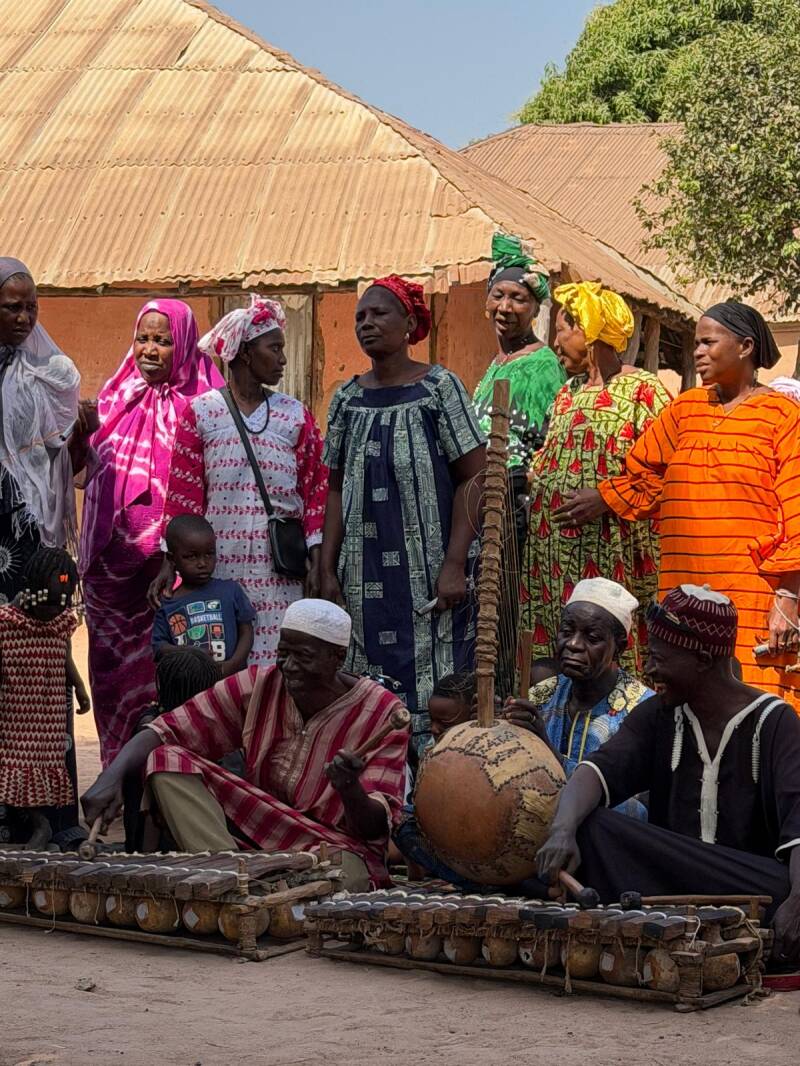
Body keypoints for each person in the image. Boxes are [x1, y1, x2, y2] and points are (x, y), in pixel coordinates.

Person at [536, 584, 800, 965]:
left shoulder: (776, 723)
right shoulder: (659, 715)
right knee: (589, 825)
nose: (650, 670)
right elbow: (596, 772)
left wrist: (797, 901)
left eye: (659, 658)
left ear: (703, 659)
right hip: (668, 876)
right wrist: (563, 831)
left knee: (785, 886)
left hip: (749, 886)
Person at [559, 301, 800, 709]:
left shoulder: (782, 416)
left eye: (708, 342)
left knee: (753, 704)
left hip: (750, 592)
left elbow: (796, 509)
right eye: (696, 344)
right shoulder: (685, 409)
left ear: (745, 347)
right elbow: (645, 475)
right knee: (684, 697)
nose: (697, 352)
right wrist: (606, 497)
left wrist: (789, 598)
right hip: (683, 587)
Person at [82, 600, 409, 888]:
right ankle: (229, 875)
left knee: (349, 875)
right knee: (166, 758)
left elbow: (373, 830)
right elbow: (169, 728)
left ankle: (247, 881)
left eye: (303, 657)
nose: (289, 666)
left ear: (338, 657)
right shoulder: (260, 683)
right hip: (254, 831)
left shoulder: (383, 713)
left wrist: (350, 788)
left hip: (333, 845)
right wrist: (111, 777)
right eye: (284, 653)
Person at [320, 275, 486, 753]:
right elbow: (335, 488)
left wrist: (454, 562)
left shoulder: (439, 389)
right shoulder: (346, 399)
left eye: (379, 313)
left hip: (431, 573)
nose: (366, 323)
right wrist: (327, 568)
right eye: (360, 317)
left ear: (410, 323)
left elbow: (474, 477)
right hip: (363, 572)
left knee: (439, 680)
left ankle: (441, 780)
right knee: (368, 684)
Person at [80, 300, 223, 765]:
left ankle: (167, 776)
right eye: (143, 338)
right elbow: (84, 468)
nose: (150, 349)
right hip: (110, 581)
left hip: (173, 573)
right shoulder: (114, 398)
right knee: (112, 673)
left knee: (174, 668)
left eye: (163, 340)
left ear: (182, 344)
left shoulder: (207, 404)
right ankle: (116, 771)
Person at [150, 296, 328, 666]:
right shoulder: (201, 413)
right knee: (225, 664)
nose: (282, 358)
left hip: (280, 573)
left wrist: (317, 563)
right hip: (219, 570)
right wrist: (169, 562)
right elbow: (183, 499)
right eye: (274, 348)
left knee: (278, 667)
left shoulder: (295, 416)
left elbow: (315, 492)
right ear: (245, 352)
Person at [523, 281, 671, 671]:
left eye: (561, 330)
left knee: (605, 646)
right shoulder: (566, 394)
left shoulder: (643, 390)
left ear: (588, 332)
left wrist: (606, 497)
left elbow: (666, 471)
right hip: (553, 556)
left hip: (612, 551)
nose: (555, 342)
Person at [509, 577, 652, 818]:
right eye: (566, 632)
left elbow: (640, 810)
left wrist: (548, 753)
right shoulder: (541, 695)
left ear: (619, 648)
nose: (573, 644)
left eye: (592, 638)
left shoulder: (643, 711)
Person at [0, 257, 85, 600]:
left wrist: (80, 431)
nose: (24, 318)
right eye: (12, 308)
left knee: (31, 608)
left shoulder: (53, 371)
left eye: (31, 307)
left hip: (29, 513)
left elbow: (61, 449)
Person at [0, 548, 87, 845]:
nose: (52, 612)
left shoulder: (60, 621)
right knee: (13, 766)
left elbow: (64, 655)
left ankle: (43, 825)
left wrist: (79, 687)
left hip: (48, 713)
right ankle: (38, 824)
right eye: (46, 603)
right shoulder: (8, 623)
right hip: (15, 710)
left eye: (59, 605)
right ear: (29, 588)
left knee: (42, 769)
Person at [473, 233, 565, 467]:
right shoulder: (499, 362)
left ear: (536, 310)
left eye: (518, 298)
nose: (505, 307)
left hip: (518, 486)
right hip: (484, 484)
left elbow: (554, 443)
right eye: (498, 295)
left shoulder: (544, 366)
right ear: (487, 301)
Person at [152, 515, 255, 677]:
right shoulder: (168, 603)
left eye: (209, 554)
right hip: (189, 686)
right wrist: (187, 652)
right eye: (191, 556)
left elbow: (246, 631)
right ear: (172, 559)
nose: (202, 563)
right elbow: (159, 648)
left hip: (231, 681)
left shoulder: (230, 591)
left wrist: (233, 664)